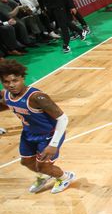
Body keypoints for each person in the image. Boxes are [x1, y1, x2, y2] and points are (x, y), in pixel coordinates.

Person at [0, 59, 76, 193]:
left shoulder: (37, 97)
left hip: (48, 135)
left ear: (23, 78)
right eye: (6, 82)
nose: (11, 85)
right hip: (28, 133)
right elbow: (10, 105)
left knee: (43, 166)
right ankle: (47, 175)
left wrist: (53, 144)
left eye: (15, 80)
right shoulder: (5, 95)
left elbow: (62, 118)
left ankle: (64, 177)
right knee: (26, 162)